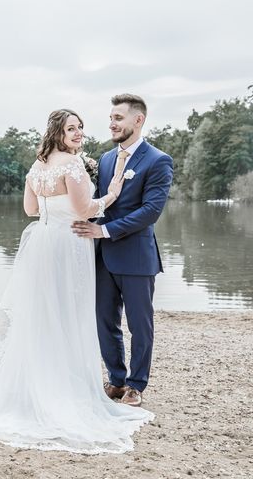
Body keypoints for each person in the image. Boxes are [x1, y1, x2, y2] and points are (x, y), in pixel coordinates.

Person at [0, 109, 153, 454]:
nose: (78, 133)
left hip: (41, 241)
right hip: (67, 243)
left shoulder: (37, 166)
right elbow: (85, 210)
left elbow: (31, 209)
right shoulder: (72, 166)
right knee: (67, 313)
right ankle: (63, 389)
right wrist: (113, 193)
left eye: (80, 128)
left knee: (42, 312)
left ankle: (33, 383)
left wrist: (57, 203)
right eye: (71, 128)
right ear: (57, 132)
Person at [72, 94, 174, 407]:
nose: (112, 123)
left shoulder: (158, 161)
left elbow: (150, 211)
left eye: (118, 118)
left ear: (138, 120)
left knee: (140, 324)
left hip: (136, 257)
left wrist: (103, 230)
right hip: (103, 257)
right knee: (105, 320)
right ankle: (116, 380)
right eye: (112, 118)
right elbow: (98, 203)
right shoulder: (103, 160)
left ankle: (136, 385)